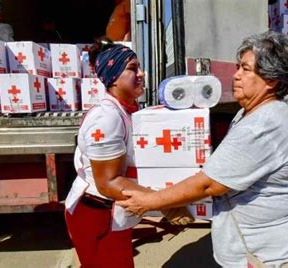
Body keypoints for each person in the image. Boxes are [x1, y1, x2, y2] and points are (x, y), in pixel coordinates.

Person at [117, 31, 288, 267]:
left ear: (272, 80)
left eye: (245, 69)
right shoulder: (252, 112)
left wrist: (151, 202)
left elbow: (210, 184)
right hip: (260, 248)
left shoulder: (262, 125)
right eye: (238, 67)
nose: (236, 76)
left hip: (276, 255)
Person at [64, 38, 192, 268]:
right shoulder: (107, 118)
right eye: (133, 68)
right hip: (97, 217)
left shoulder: (126, 110)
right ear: (113, 77)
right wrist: (165, 203)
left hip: (114, 212)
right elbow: (108, 183)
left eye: (140, 67)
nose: (142, 73)